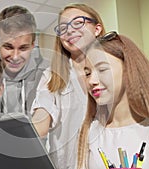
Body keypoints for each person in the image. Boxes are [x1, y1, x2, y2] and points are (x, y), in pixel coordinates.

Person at [77, 31, 149, 169]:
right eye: (87, 73)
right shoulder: (90, 131)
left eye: (102, 69)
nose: (91, 81)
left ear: (128, 69)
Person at [31, 3, 105, 169]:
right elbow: (41, 119)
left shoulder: (115, 70)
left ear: (97, 28)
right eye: (63, 28)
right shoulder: (51, 76)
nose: (69, 31)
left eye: (78, 22)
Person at [0, 5, 49, 115]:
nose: (15, 57)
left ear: (33, 45)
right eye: (8, 47)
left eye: (23, 48)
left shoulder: (48, 73)